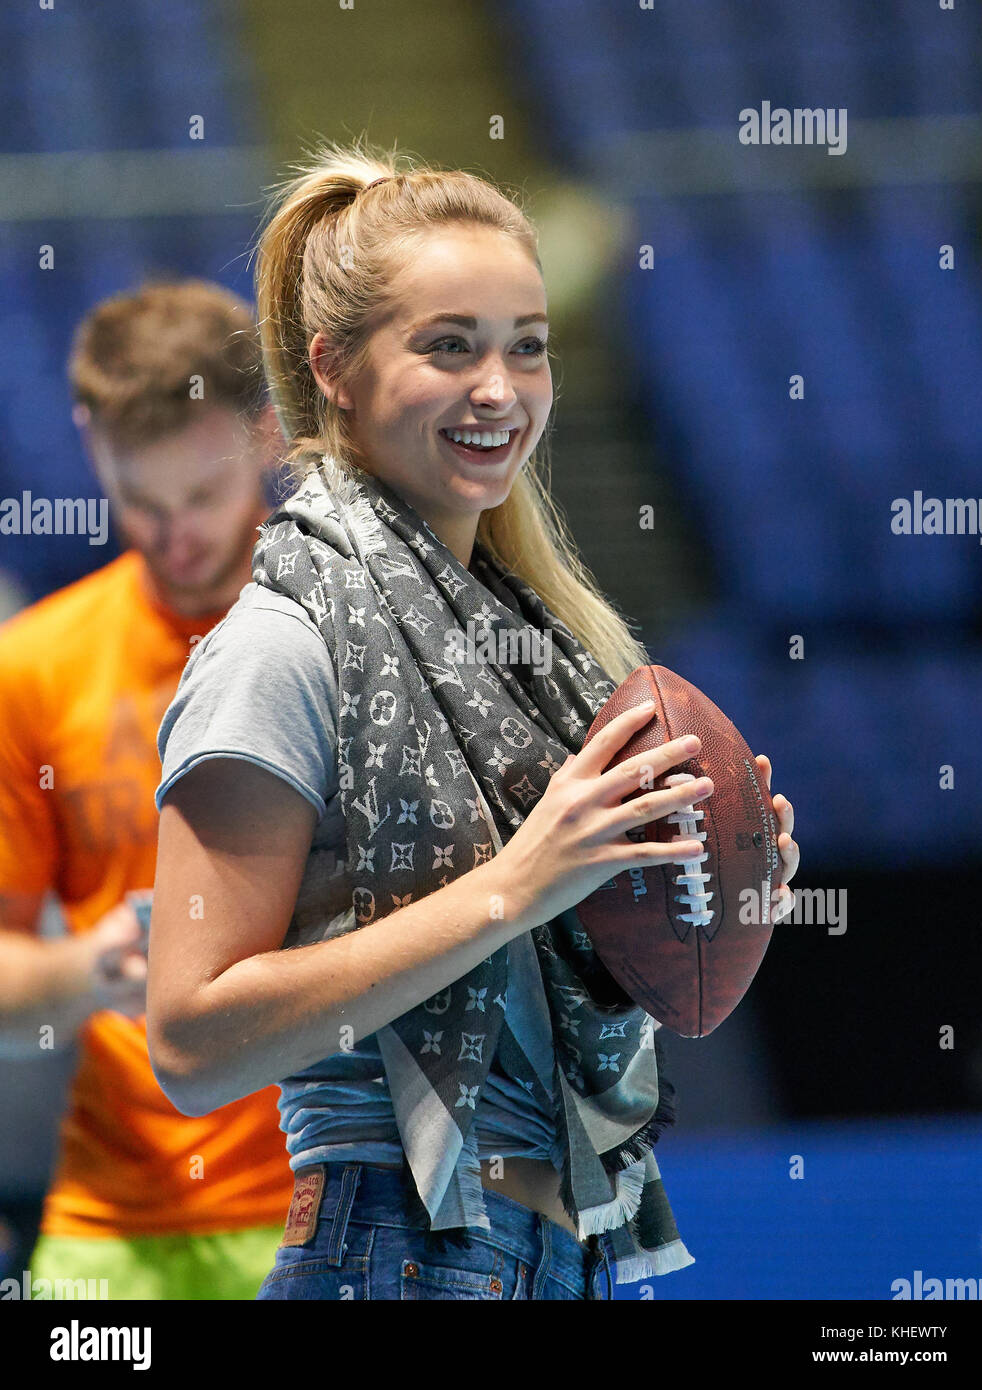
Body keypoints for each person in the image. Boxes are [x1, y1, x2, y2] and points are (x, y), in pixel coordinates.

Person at [147, 143, 799, 1301]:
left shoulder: (531, 651)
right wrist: (524, 881)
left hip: (568, 1255)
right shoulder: (277, 645)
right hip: (391, 1249)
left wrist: (699, 881)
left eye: (527, 347)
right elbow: (191, 1045)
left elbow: (559, 956)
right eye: (448, 346)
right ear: (334, 369)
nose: (499, 388)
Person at [0, 279, 295, 1300]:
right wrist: (90, 964)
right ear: (91, 444)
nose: (176, 536)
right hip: (116, 1229)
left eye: (204, 496)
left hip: (345, 1197)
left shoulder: (356, 637)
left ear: (267, 432)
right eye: (143, 500)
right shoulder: (34, 667)